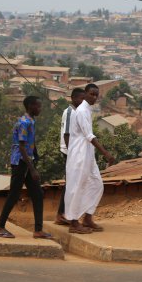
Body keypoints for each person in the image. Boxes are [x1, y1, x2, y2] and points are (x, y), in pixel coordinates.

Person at [0, 95, 52, 239]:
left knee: (37, 194)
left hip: (27, 161)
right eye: (38, 106)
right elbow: (21, 146)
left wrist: (35, 154)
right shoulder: (24, 122)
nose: (40, 109)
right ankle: (0, 227)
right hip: (20, 162)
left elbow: (29, 142)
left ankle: (38, 230)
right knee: (14, 195)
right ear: (31, 106)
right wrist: (32, 169)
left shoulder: (31, 121)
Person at [64, 83, 115, 234]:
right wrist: (105, 153)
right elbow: (89, 135)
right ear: (85, 94)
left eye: (96, 95)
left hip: (88, 154)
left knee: (97, 184)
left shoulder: (88, 110)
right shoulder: (81, 111)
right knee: (77, 187)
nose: (94, 97)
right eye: (91, 94)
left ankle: (87, 217)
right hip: (79, 154)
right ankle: (73, 222)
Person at [54, 87, 86, 226]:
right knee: (70, 184)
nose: (82, 101)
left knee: (72, 184)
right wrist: (72, 152)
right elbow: (67, 134)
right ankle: (62, 214)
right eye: (81, 98)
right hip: (68, 151)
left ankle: (64, 213)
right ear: (73, 98)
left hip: (72, 151)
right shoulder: (70, 112)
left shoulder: (76, 112)